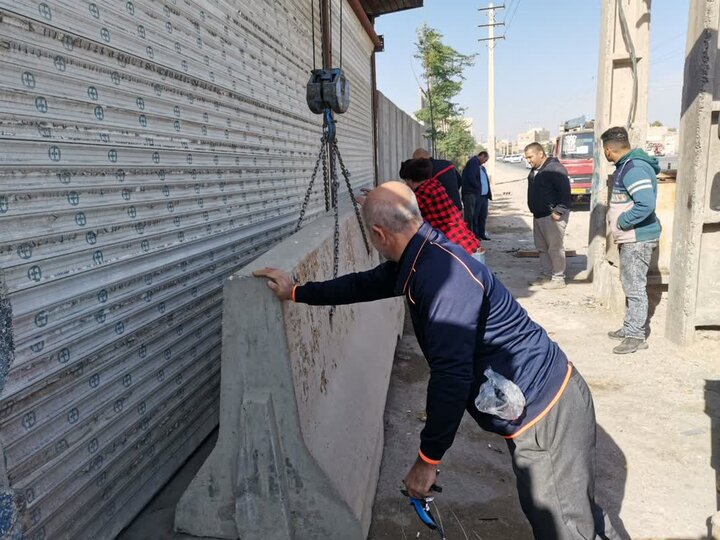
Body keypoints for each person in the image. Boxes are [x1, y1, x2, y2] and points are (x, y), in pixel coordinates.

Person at [254, 182, 619, 540]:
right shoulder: (420, 253)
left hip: (546, 411)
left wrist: (427, 461)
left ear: (379, 234)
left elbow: (451, 377)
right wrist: (297, 292)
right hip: (536, 402)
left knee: (563, 526)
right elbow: (361, 285)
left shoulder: (442, 279)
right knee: (575, 514)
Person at [601, 126, 661, 354]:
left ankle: (636, 335)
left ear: (608, 150)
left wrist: (624, 221)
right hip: (631, 237)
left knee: (635, 286)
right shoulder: (626, 166)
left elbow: (646, 203)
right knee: (630, 283)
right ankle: (629, 327)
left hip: (637, 237)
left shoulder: (634, 169)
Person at [398, 157, 481, 256]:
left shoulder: (424, 193)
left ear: (412, 179)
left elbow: (403, 215)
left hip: (459, 249)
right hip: (467, 243)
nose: (407, 185)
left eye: (407, 181)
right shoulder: (434, 184)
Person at [524, 142, 572, 290]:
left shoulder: (555, 169)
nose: (528, 160)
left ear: (540, 153)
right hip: (538, 216)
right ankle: (545, 275)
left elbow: (565, 192)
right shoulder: (535, 170)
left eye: (530, 157)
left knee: (555, 248)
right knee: (542, 248)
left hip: (552, 217)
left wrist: (559, 211)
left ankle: (558, 278)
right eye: (526, 158)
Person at [461, 151, 493, 240]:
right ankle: (474, 235)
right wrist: (478, 188)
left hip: (484, 196)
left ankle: (481, 233)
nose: (485, 162)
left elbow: (485, 181)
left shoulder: (482, 168)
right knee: (474, 216)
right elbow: (472, 178)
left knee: (482, 216)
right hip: (475, 194)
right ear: (482, 155)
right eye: (485, 159)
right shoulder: (473, 162)